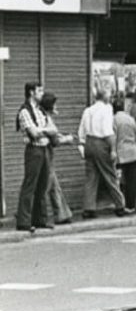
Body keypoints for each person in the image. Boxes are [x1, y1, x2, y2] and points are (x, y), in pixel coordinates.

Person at [77, 88, 127, 220]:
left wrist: (82, 144)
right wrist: (113, 149)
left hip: (89, 142)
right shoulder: (107, 109)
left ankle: (89, 208)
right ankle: (120, 206)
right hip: (102, 143)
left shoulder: (87, 110)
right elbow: (108, 131)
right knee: (110, 174)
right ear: (105, 97)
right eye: (109, 95)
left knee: (91, 177)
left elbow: (81, 130)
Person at [14, 81, 52, 232]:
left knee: (42, 185)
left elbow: (51, 127)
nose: (42, 94)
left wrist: (45, 130)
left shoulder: (40, 110)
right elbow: (34, 133)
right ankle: (24, 221)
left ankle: (40, 219)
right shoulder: (25, 111)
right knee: (30, 185)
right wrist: (47, 131)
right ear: (31, 93)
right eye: (39, 91)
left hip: (44, 149)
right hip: (33, 150)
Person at [40, 92, 76, 227]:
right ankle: (30, 212)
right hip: (46, 155)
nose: (57, 107)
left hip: (47, 155)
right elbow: (54, 141)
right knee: (45, 186)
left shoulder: (45, 117)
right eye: (55, 104)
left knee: (54, 186)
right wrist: (68, 139)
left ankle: (62, 214)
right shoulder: (46, 118)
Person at [113, 96, 136, 213]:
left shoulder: (114, 120)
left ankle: (120, 204)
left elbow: (113, 137)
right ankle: (131, 205)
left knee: (118, 180)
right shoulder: (131, 119)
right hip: (133, 152)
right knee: (131, 180)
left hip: (120, 153)